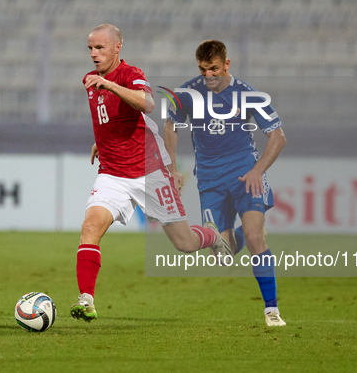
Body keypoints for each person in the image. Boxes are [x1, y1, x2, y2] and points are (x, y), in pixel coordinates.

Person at [70, 25, 233, 322]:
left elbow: (147, 103)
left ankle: (210, 234)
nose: (93, 54)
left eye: (100, 48)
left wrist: (110, 85)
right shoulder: (90, 80)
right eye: (90, 49)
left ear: (117, 47)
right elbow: (111, 118)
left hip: (149, 171)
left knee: (184, 244)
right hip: (112, 173)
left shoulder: (129, 74)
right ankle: (86, 299)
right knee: (89, 228)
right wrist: (101, 142)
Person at [163, 40, 287, 327]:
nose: (209, 76)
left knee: (257, 239)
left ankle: (272, 311)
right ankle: (246, 229)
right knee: (224, 255)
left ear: (227, 64)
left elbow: (278, 137)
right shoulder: (187, 93)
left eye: (215, 69)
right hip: (209, 178)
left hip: (244, 173)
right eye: (204, 69)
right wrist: (173, 167)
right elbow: (170, 127)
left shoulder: (247, 94)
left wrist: (258, 170)